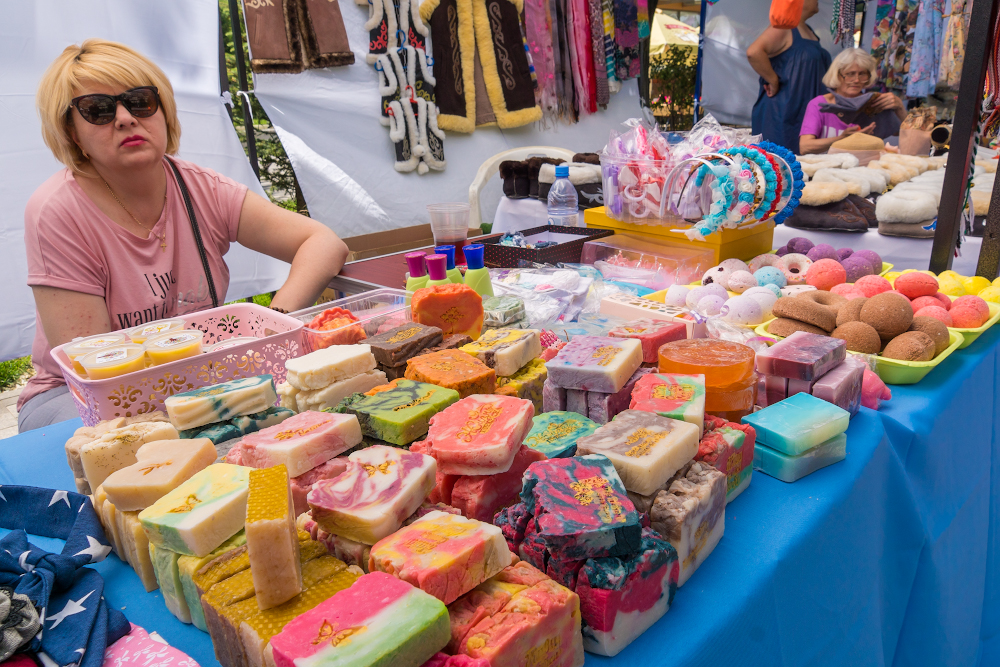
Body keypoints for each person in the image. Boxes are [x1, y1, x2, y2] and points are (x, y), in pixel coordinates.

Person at [19, 39, 350, 432]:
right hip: (78, 399)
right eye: (98, 110)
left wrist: (272, 327)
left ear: (163, 111)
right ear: (72, 133)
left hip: (194, 381)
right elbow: (94, 369)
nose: (125, 118)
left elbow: (323, 243)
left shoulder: (200, 188)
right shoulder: (58, 211)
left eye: (140, 101)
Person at [747, 0, 832, 153]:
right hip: (783, 113)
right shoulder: (784, 28)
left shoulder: (807, 30)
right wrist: (773, 80)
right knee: (781, 161)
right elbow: (754, 52)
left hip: (802, 111)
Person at [799, 48, 906, 154]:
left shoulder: (873, 104)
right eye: (850, 74)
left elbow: (901, 133)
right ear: (836, 75)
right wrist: (842, 138)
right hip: (825, 164)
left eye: (862, 74)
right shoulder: (819, 104)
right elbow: (805, 147)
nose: (856, 80)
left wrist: (900, 108)